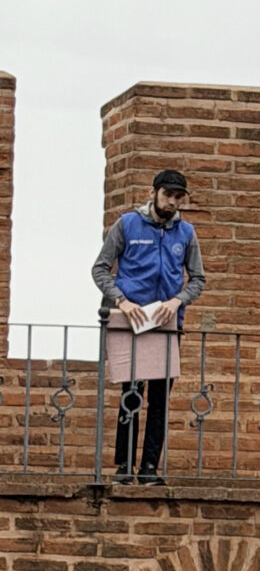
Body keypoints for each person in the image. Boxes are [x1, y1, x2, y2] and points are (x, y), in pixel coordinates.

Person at [91, 167, 207, 486]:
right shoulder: (128, 224)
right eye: (168, 194)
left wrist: (178, 300)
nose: (172, 202)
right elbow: (100, 269)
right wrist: (121, 300)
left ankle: (150, 468)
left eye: (178, 197)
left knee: (159, 398)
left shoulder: (186, 233)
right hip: (131, 321)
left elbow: (198, 279)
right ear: (152, 192)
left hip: (167, 325)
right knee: (131, 394)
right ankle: (125, 466)